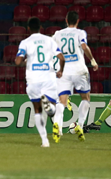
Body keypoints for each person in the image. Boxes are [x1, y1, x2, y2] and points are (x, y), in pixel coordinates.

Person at [15, 17, 65, 147]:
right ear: (40, 27)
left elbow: (18, 61)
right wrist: (60, 71)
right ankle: (50, 108)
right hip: (48, 78)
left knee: (37, 110)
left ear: (28, 29)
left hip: (33, 80)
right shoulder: (49, 40)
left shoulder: (25, 42)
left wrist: (24, 62)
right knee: (53, 109)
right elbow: (62, 58)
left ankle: (45, 141)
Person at [52, 11, 98, 141]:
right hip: (79, 70)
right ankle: (80, 125)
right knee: (86, 98)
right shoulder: (80, 33)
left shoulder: (57, 34)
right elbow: (84, 47)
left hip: (64, 71)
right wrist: (93, 60)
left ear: (66, 20)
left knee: (62, 101)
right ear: (77, 21)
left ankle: (58, 127)